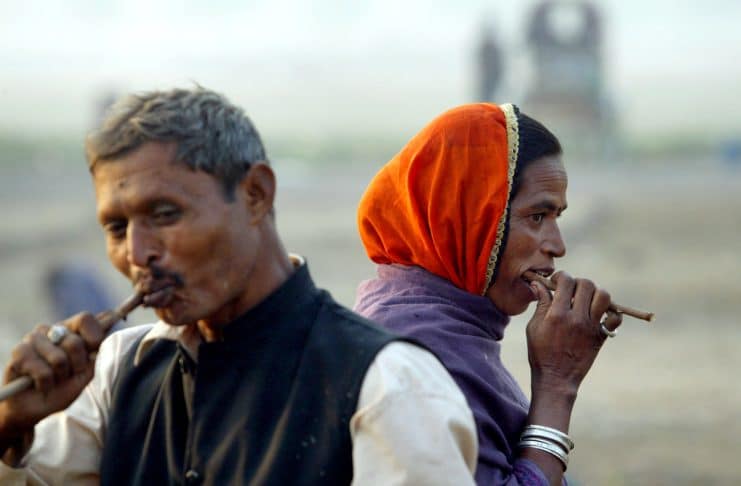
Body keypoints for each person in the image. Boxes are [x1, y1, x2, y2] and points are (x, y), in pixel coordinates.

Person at [0, 87, 479, 485]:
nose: (137, 253)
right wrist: (13, 426)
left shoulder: (387, 387)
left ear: (256, 194)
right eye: (117, 228)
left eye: (165, 214)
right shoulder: (122, 369)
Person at [353, 103, 623, 485]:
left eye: (556, 217)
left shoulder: (432, 319)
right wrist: (556, 384)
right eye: (537, 217)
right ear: (468, 215)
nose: (557, 246)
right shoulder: (420, 356)